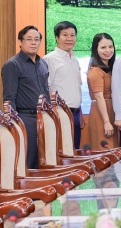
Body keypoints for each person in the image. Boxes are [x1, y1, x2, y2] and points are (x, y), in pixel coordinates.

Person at [1, 25, 50, 169]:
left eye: (36, 39)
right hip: (25, 118)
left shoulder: (43, 63)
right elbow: (9, 97)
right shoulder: (13, 64)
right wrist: (14, 124)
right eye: (29, 39)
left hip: (43, 117)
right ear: (20, 42)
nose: (33, 42)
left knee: (43, 159)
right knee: (27, 159)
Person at [43, 21, 83, 149]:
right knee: (61, 152)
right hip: (60, 114)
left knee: (74, 150)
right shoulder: (49, 59)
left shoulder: (75, 59)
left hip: (76, 113)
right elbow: (46, 89)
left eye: (72, 35)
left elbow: (76, 88)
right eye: (65, 35)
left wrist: (80, 111)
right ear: (56, 37)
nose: (69, 39)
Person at [87, 33, 119, 150]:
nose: (108, 50)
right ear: (96, 49)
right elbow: (99, 97)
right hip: (101, 114)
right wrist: (106, 121)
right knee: (105, 151)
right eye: (103, 47)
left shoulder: (111, 68)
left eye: (110, 47)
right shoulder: (95, 70)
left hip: (112, 112)